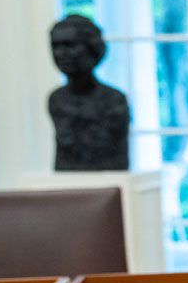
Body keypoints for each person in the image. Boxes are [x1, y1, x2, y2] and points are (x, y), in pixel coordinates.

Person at [48, 14, 130, 171]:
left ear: (91, 48)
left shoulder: (113, 100)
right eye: (56, 46)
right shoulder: (56, 100)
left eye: (70, 45)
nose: (62, 53)